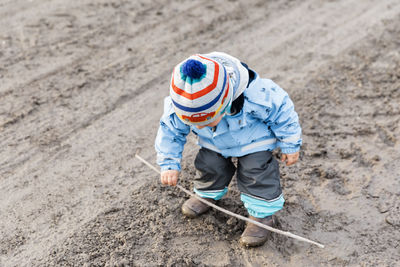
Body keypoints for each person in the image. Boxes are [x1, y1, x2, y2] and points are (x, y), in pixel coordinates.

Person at [155, 52, 302, 247]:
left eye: (205, 121)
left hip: (253, 140)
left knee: (256, 172)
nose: (198, 127)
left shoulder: (257, 94)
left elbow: (283, 112)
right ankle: (207, 193)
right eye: (192, 122)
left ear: (224, 103)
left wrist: (290, 144)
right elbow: (170, 132)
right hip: (214, 141)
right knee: (209, 166)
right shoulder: (182, 105)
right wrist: (168, 163)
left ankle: (261, 216)